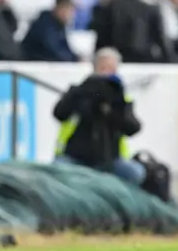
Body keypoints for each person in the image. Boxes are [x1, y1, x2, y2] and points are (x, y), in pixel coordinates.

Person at [53, 47, 146, 185]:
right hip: (74, 156)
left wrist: (116, 105)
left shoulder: (120, 98)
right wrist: (83, 92)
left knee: (135, 173)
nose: (106, 74)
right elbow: (59, 114)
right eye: (103, 68)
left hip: (109, 159)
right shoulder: (78, 91)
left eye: (111, 69)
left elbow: (133, 128)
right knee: (56, 171)